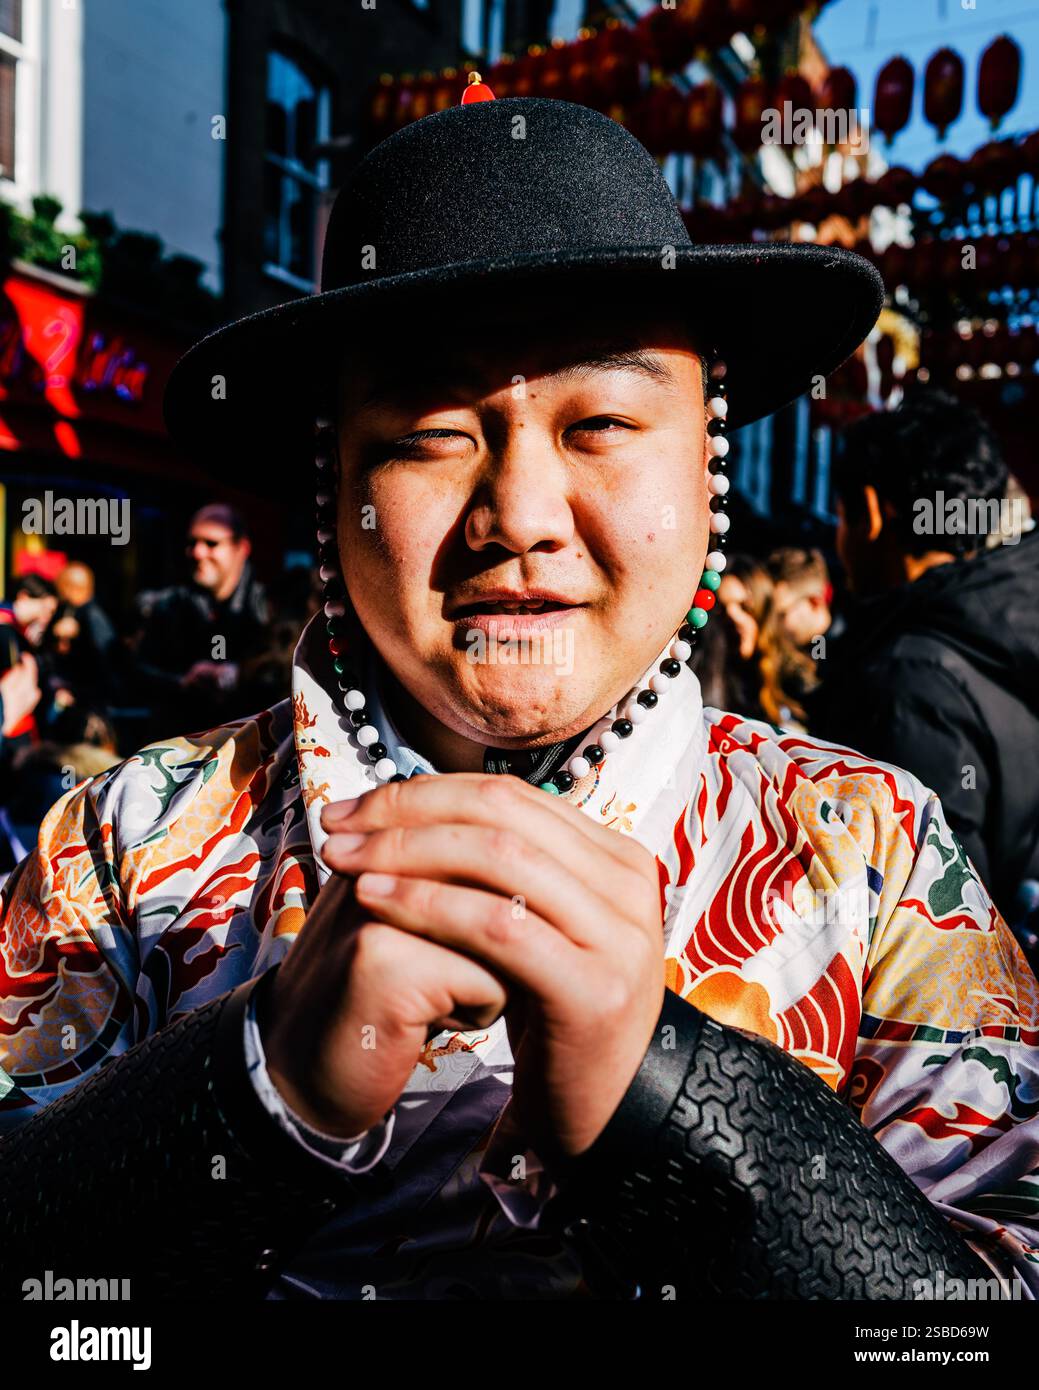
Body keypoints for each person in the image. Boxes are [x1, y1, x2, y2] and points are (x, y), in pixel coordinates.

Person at [1, 90, 1035, 1303]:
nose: (522, 519)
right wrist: (255, 1080)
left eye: (600, 422)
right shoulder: (119, 851)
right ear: (333, 492)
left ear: (707, 467)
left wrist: (669, 1102)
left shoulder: (877, 854)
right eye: (434, 435)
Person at [809, 386, 1039, 922]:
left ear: (868, 512)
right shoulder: (1002, 635)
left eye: (841, 516)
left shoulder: (906, 678)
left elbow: (931, 918)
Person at [125, 502, 270, 734]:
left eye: (211, 543)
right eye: (192, 543)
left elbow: (282, 676)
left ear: (241, 548)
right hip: (180, 744)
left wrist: (237, 675)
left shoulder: (268, 608)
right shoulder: (168, 605)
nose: (197, 552)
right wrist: (183, 682)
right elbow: (138, 671)